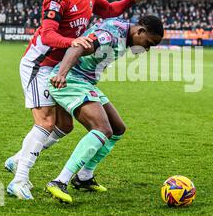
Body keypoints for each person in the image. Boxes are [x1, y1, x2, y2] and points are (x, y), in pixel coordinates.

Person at [5, 0, 154, 200]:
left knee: (65, 126)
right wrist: (71, 43)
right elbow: (48, 34)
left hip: (61, 64)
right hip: (40, 64)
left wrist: (132, 0)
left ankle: (18, 158)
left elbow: (109, 11)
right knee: (46, 122)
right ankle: (19, 179)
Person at [45, 15, 164, 204]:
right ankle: (59, 181)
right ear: (140, 31)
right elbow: (79, 46)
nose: (147, 49)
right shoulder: (111, 35)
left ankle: (84, 177)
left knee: (117, 129)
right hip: (71, 80)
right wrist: (61, 74)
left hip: (86, 83)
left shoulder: (125, 33)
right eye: (148, 43)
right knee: (102, 129)